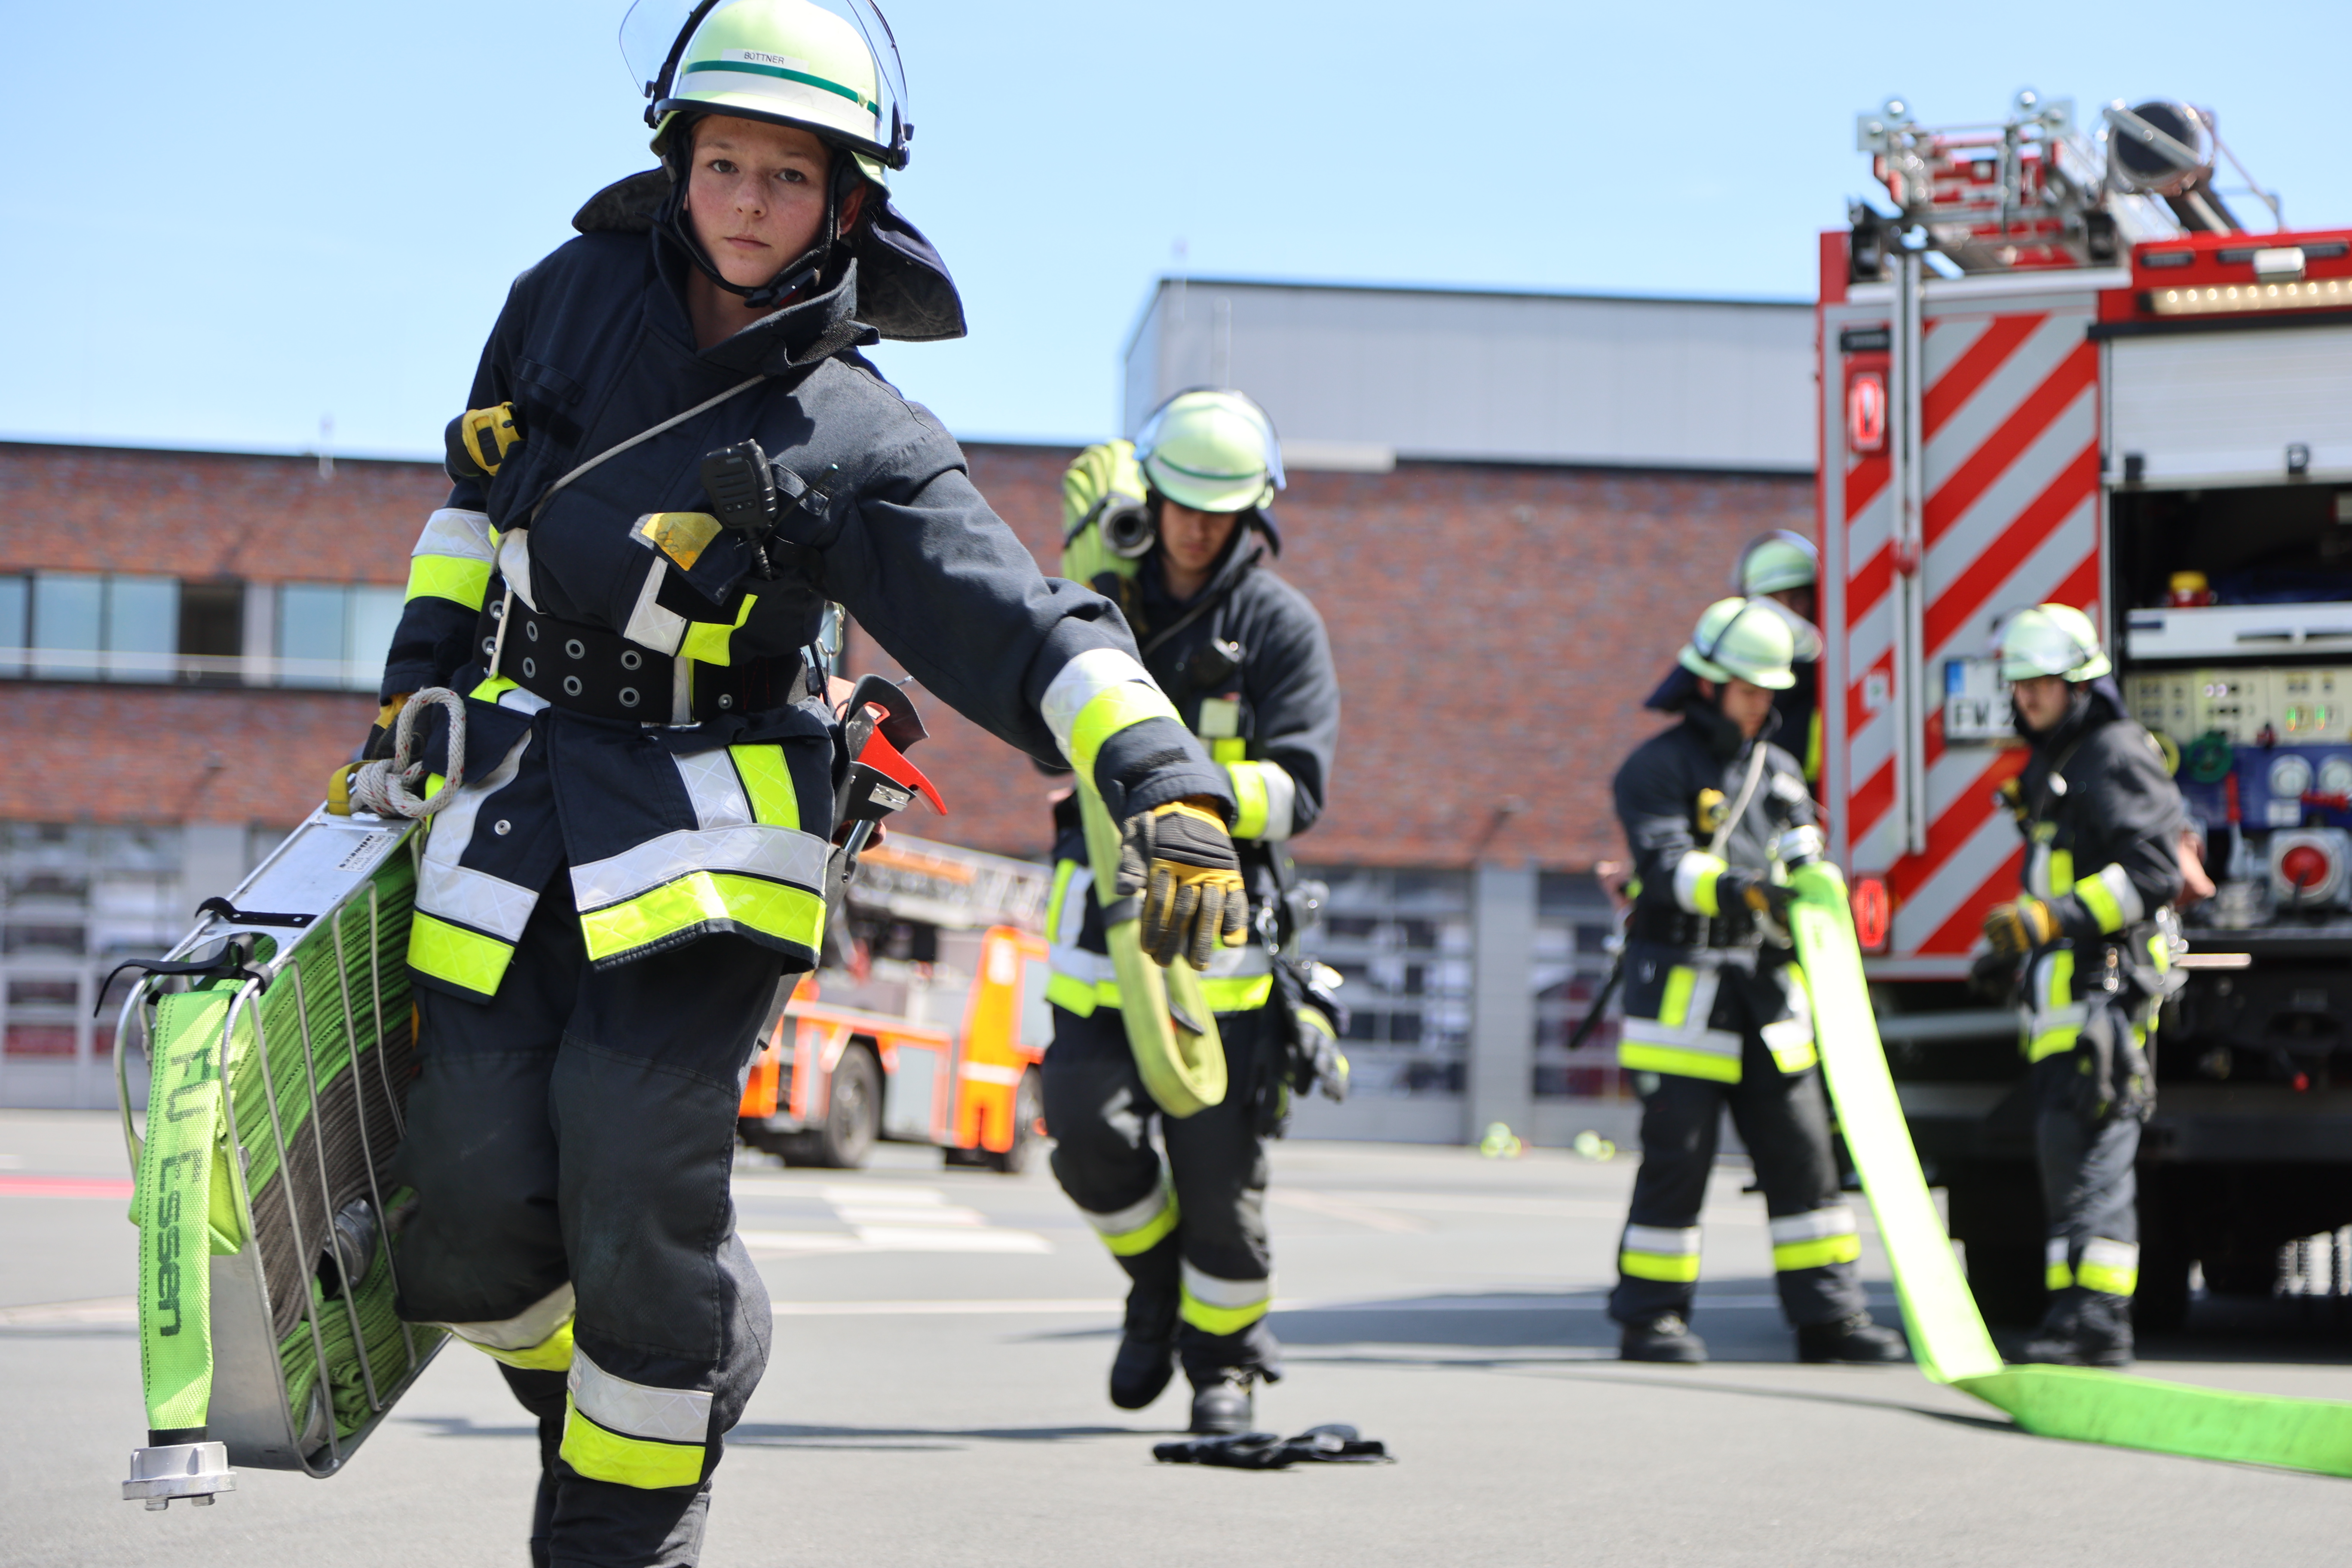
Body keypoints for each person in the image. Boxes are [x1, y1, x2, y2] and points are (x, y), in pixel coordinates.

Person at [365, 4, 1243, 1562]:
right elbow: (470, 506)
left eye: (788, 173)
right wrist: (415, 684)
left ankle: (624, 1519)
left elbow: (1024, 619)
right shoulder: (560, 300)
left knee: (635, 1154)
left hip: (705, 828)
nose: (749, 200)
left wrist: (1166, 776)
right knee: (472, 1216)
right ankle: (673, 1353)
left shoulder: (864, 433)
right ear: (675, 162)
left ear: (846, 199)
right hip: (515, 788)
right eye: (724, 163)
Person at [1040, 389, 1342, 1435]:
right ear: (1153, 494)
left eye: (1221, 514)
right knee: (1085, 1135)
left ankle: (1226, 1370)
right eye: (1183, 506)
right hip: (1097, 925)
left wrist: (1190, 792)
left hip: (1222, 938)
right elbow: (1035, 728)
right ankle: (1156, 1284)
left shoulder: (1279, 625)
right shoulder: (1099, 603)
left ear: (1252, 515)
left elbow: (1300, 788)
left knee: (1222, 1180)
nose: (1197, 529)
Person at [1606, 598, 1907, 1366]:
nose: (1759, 705)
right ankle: (1651, 1319)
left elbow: (1805, 851)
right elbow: (1665, 866)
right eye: (1747, 690)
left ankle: (1829, 1318)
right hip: (1686, 996)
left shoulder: (1778, 770)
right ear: (1708, 684)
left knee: (1804, 1156)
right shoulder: (1653, 768)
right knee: (1678, 1161)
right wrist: (1742, 891)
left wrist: (1817, 885)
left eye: (1768, 692)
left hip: (1770, 994)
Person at [1979, 604, 2184, 1367]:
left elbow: (2153, 874)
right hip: (2063, 1001)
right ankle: (2071, 1315)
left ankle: (2098, 1320)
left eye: (2042, 683)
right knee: (2066, 1160)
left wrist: (2048, 920)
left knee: (2094, 1159)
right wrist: (2009, 953)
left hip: (2105, 996)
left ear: (2080, 684)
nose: (2027, 696)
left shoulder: (2114, 753)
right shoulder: (2060, 760)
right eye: (2019, 684)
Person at [1733, 530, 1822, 785]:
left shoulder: (1832, 675)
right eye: (1773, 602)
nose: (1788, 613)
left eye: (1798, 599)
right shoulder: (1740, 672)